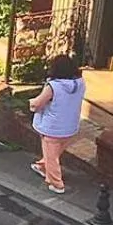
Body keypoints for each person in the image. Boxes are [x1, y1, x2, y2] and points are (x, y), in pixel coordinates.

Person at [28, 55, 87, 194]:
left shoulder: (53, 86)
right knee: (54, 153)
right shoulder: (80, 83)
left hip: (52, 128)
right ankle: (42, 166)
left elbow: (38, 103)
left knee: (52, 156)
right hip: (70, 126)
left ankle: (56, 183)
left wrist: (30, 103)